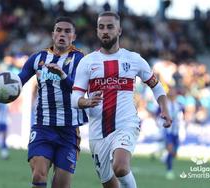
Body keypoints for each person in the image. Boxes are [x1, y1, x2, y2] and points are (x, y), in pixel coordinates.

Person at [71, 11, 172, 188]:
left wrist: (164, 108)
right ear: (96, 31)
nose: (105, 31)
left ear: (119, 31)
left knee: (120, 167)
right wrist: (86, 102)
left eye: (110, 27)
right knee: (109, 184)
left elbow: (156, 86)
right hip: (98, 132)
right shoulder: (87, 62)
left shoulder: (134, 59)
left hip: (126, 124)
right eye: (101, 27)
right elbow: (75, 98)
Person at [18, 17, 88, 188]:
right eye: (58, 30)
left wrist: (63, 77)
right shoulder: (38, 58)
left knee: (60, 185)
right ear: (52, 34)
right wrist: (5, 90)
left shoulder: (80, 60)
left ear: (74, 36)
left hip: (68, 131)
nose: (62, 34)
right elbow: (18, 82)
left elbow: (80, 90)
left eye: (67, 31)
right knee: (38, 175)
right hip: (43, 127)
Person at [163, 87, 184, 179]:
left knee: (174, 153)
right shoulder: (164, 104)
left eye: (173, 91)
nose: (172, 92)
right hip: (168, 131)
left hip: (176, 131)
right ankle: (169, 171)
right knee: (171, 150)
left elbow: (183, 116)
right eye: (170, 91)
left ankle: (164, 158)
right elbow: (157, 114)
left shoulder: (179, 104)